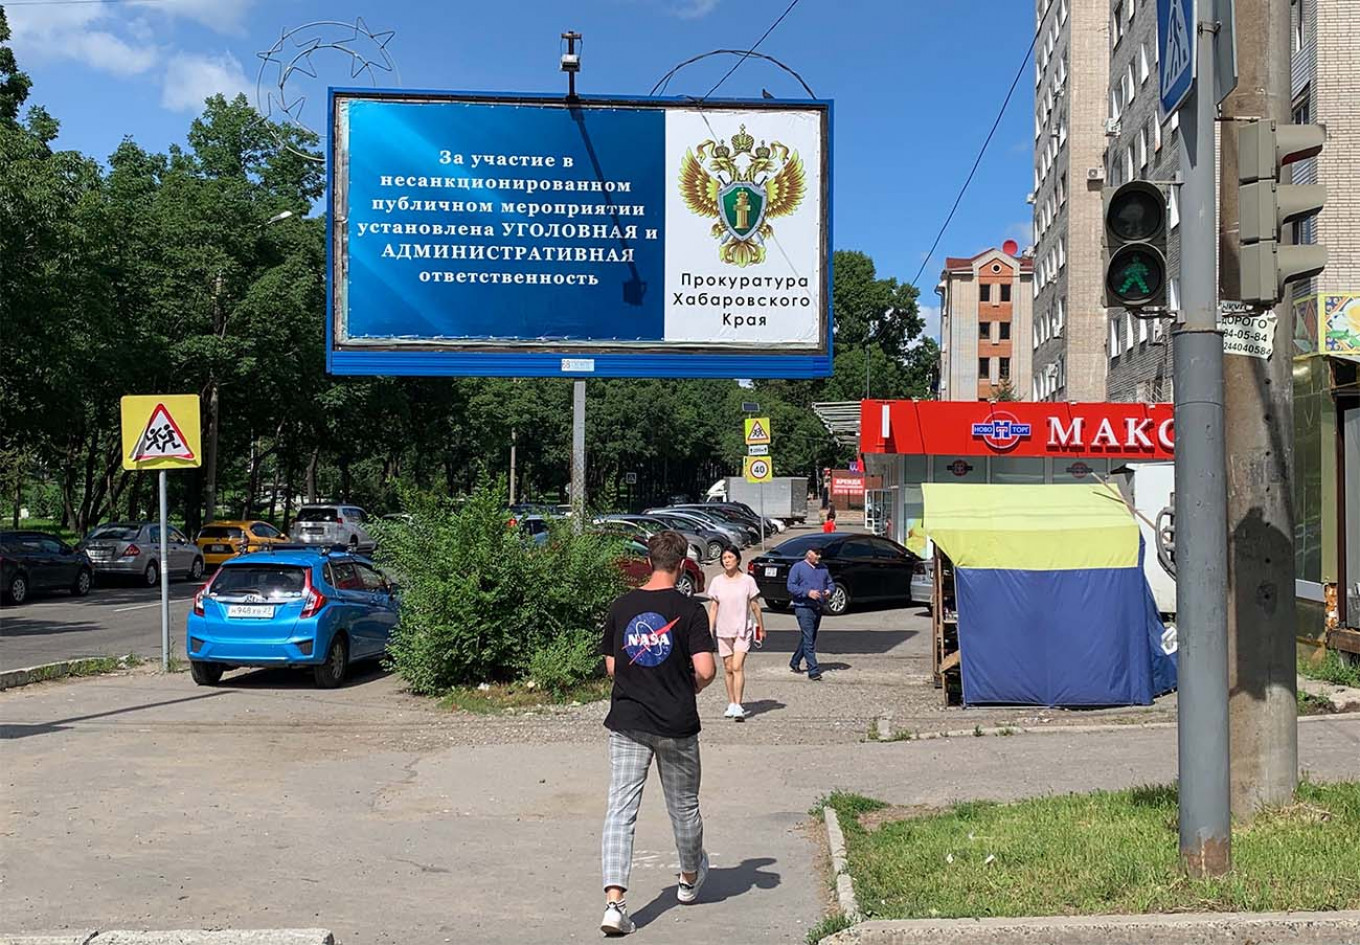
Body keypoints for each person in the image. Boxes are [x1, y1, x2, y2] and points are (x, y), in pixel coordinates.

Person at [598, 530, 718, 936]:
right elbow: (705, 670)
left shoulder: (622, 606)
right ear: (683, 563)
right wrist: (689, 685)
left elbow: (613, 667)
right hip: (677, 724)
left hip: (628, 723)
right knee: (683, 807)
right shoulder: (691, 611)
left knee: (620, 811)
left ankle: (614, 905)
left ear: (649, 560)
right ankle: (688, 878)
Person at [705, 547, 765, 721]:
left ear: (738, 559)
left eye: (730, 557)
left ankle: (738, 705)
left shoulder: (747, 581)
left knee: (737, 666)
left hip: (742, 629)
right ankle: (731, 702)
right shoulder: (717, 581)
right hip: (723, 630)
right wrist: (710, 628)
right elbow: (714, 607)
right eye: (724, 558)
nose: (727, 560)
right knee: (728, 668)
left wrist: (761, 626)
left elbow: (754, 605)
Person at [786, 543, 834, 681]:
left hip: (818, 607)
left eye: (820, 553)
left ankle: (795, 661)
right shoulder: (798, 568)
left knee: (810, 637)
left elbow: (831, 584)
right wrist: (808, 592)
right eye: (816, 553)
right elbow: (791, 586)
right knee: (808, 638)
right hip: (803, 607)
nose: (819, 556)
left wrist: (828, 591)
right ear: (808, 553)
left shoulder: (823, 568)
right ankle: (813, 670)